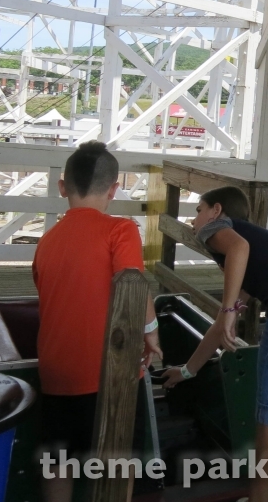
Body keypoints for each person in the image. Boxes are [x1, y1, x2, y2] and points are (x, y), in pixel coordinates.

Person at [162, 186, 268, 502]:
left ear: (216, 211)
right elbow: (220, 326)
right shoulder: (253, 250)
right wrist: (187, 371)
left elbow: (237, 250)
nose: (194, 220)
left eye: (198, 210)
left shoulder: (217, 230)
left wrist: (229, 309)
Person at [32, 141, 162, 502]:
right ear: (113, 189)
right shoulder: (120, 230)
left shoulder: (46, 241)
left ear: (63, 187)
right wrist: (151, 333)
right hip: (109, 373)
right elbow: (133, 286)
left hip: (55, 374)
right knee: (117, 466)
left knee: (57, 463)